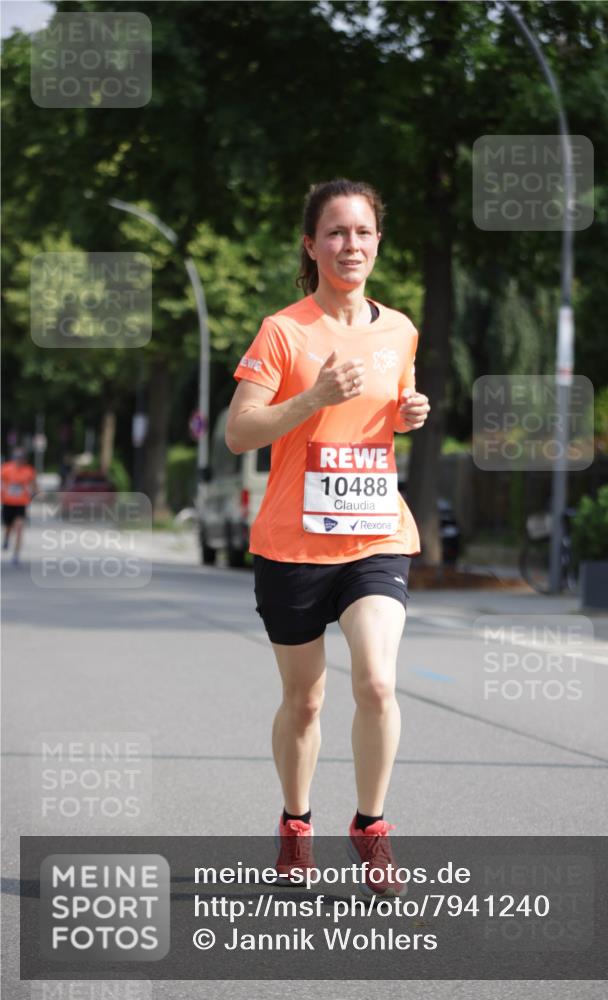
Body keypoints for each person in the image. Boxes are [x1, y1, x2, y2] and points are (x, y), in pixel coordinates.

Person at [226, 179, 430, 897]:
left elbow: (385, 412)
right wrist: (313, 397)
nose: (351, 245)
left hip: (375, 535)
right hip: (292, 543)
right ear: (311, 246)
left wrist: (407, 414)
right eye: (336, 233)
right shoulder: (284, 332)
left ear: (378, 243)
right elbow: (238, 432)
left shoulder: (399, 330)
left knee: (376, 680)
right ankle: (296, 821)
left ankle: (370, 825)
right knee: (305, 701)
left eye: (363, 232)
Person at [1, 447, 37, 566]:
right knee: (8, 527)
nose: (19, 460)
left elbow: (34, 485)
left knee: (19, 528)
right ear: (14, 458)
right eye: (17, 458)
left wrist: (35, 493)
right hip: (7, 503)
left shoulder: (29, 471)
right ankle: (6, 538)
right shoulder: (6, 469)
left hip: (21, 504)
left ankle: (16, 555)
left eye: (21, 458)